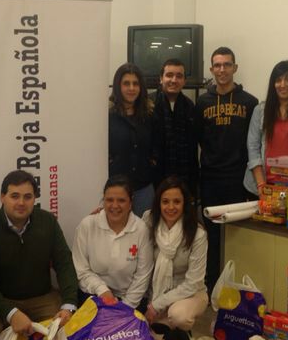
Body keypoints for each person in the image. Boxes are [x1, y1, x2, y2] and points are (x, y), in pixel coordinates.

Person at [0, 170, 78, 340]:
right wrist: (11, 313)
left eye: (28, 197)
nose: (21, 203)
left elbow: (64, 263)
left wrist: (69, 305)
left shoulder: (48, 222)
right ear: (2, 197)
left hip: (41, 297)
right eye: (14, 196)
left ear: (35, 199)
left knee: (68, 326)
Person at [194, 46, 258, 293]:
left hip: (238, 180)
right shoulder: (202, 102)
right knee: (211, 235)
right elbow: (198, 138)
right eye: (217, 65)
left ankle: (234, 286)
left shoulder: (250, 102)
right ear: (211, 70)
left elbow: (254, 140)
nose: (222, 70)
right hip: (210, 178)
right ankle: (211, 286)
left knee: (236, 236)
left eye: (227, 65)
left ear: (235, 68)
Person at [72, 175, 153, 308]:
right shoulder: (87, 225)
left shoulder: (141, 229)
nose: (115, 206)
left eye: (121, 200)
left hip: (132, 300)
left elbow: (143, 275)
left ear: (130, 202)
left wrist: (125, 308)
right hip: (95, 296)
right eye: (109, 200)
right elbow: (81, 270)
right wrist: (103, 291)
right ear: (103, 201)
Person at [142, 176, 208, 332]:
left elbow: (192, 283)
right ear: (158, 203)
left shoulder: (197, 233)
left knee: (178, 316)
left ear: (184, 203)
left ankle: (177, 329)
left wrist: (156, 306)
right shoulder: (149, 220)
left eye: (177, 202)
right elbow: (127, 226)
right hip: (156, 293)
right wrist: (100, 216)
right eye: (165, 201)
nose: (171, 207)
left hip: (190, 294)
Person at [244, 60, 288, 196]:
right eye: (278, 80)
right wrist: (261, 185)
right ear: (273, 84)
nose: (283, 85)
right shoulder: (260, 111)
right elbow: (253, 148)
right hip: (261, 185)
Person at [108, 63, 156, 216]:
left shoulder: (149, 115)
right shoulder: (107, 116)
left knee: (144, 235)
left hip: (144, 189)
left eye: (135, 84)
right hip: (116, 190)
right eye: (126, 83)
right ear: (118, 86)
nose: (131, 88)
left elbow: (156, 146)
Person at [150, 58, 198, 195]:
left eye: (179, 76)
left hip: (184, 179)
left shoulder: (190, 107)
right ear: (161, 78)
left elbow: (193, 150)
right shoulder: (148, 105)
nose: (174, 80)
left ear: (184, 81)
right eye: (169, 75)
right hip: (154, 179)